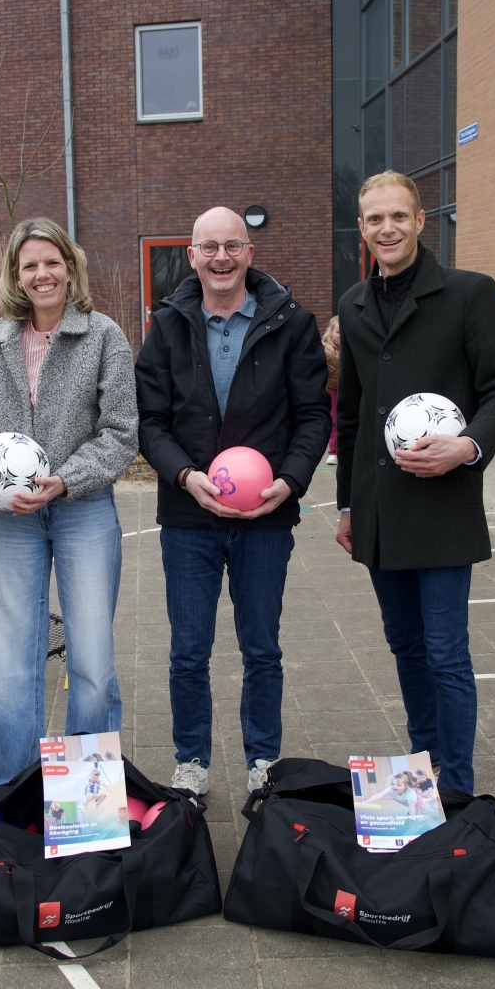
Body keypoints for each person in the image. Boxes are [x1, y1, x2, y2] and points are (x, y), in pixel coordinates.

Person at [335, 171, 495, 796]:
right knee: (406, 647)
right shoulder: (353, 306)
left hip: (443, 507)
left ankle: (458, 789)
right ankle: (425, 769)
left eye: (399, 216)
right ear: (362, 229)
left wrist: (467, 445)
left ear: (421, 221)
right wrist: (347, 507)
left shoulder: (471, 294)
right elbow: (352, 416)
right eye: (375, 219)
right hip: (381, 513)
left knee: (446, 653)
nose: (387, 228)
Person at [135, 206, 331, 795]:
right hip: (188, 516)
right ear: (191, 256)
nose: (221, 257)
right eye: (209, 247)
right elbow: (150, 421)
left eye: (232, 246)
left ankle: (263, 762)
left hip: (265, 515)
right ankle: (192, 761)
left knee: (262, 648)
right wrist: (184, 475)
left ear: (250, 252)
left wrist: (291, 481)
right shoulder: (167, 325)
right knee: (188, 651)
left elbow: (313, 415)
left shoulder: (292, 322)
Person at [0, 217, 138, 788]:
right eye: (29, 265)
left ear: (70, 267)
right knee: (10, 662)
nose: (42, 274)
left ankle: (86, 801)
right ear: (15, 275)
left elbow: (121, 431)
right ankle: (6, 796)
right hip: (13, 521)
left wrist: (65, 479)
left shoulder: (103, 336)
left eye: (52, 262)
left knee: (91, 663)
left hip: (84, 509)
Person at [323, 315, 341, 463]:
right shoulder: (325, 349)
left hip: (348, 387)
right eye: (338, 332)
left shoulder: (353, 346)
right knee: (334, 418)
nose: (341, 335)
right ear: (331, 332)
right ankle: (333, 451)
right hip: (332, 388)